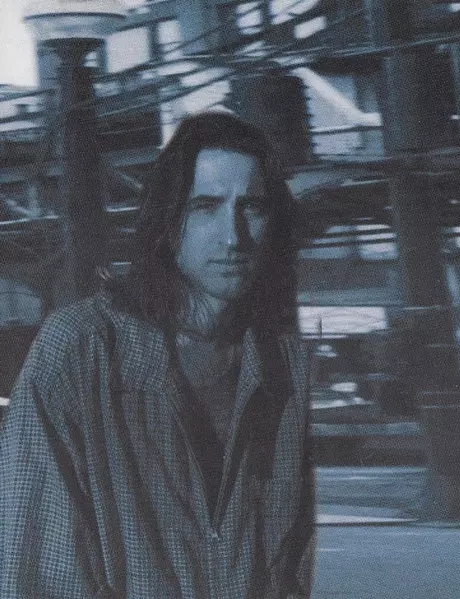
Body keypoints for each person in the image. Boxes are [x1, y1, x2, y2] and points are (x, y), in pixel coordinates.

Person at [0, 112, 315, 599]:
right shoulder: (80, 351)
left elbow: (290, 566)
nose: (233, 236)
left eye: (251, 207)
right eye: (205, 207)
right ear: (168, 221)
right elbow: (38, 573)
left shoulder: (283, 367)